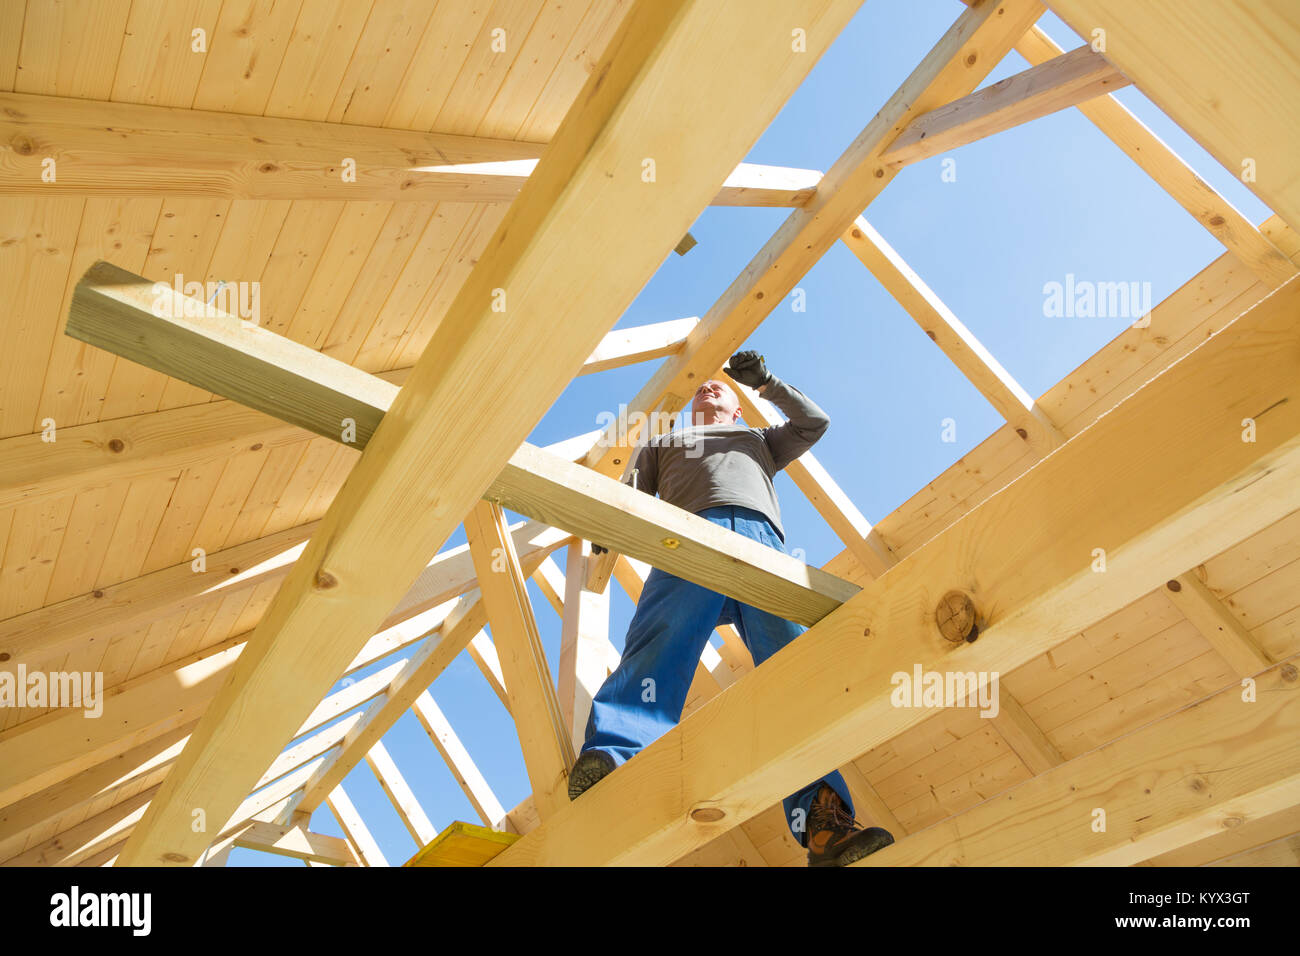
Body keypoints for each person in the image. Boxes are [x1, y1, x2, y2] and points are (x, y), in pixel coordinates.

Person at [569, 349, 894, 867]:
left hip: (762, 545)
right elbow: (630, 495)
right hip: (687, 539)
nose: (709, 388)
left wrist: (767, 383)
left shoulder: (759, 440)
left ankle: (822, 822)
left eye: (722, 388)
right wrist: (607, 527)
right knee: (659, 644)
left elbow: (815, 422)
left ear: (739, 410)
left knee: (791, 673)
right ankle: (614, 757)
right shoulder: (663, 443)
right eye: (702, 388)